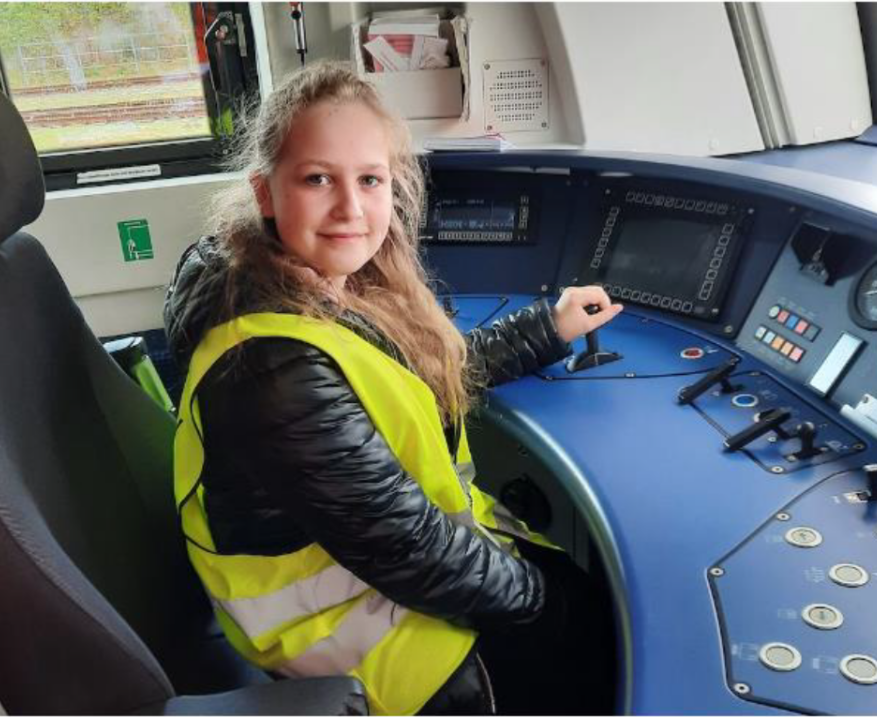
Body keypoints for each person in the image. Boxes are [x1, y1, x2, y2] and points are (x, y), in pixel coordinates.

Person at [164, 61, 622, 716]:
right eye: (318, 178)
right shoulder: (271, 368)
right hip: (356, 639)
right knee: (602, 626)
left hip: (386, 576)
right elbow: (410, 548)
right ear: (266, 193)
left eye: (370, 179)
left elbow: (410, 376)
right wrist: (553, 605)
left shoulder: (314, 288)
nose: (351, 208)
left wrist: (546, 329)